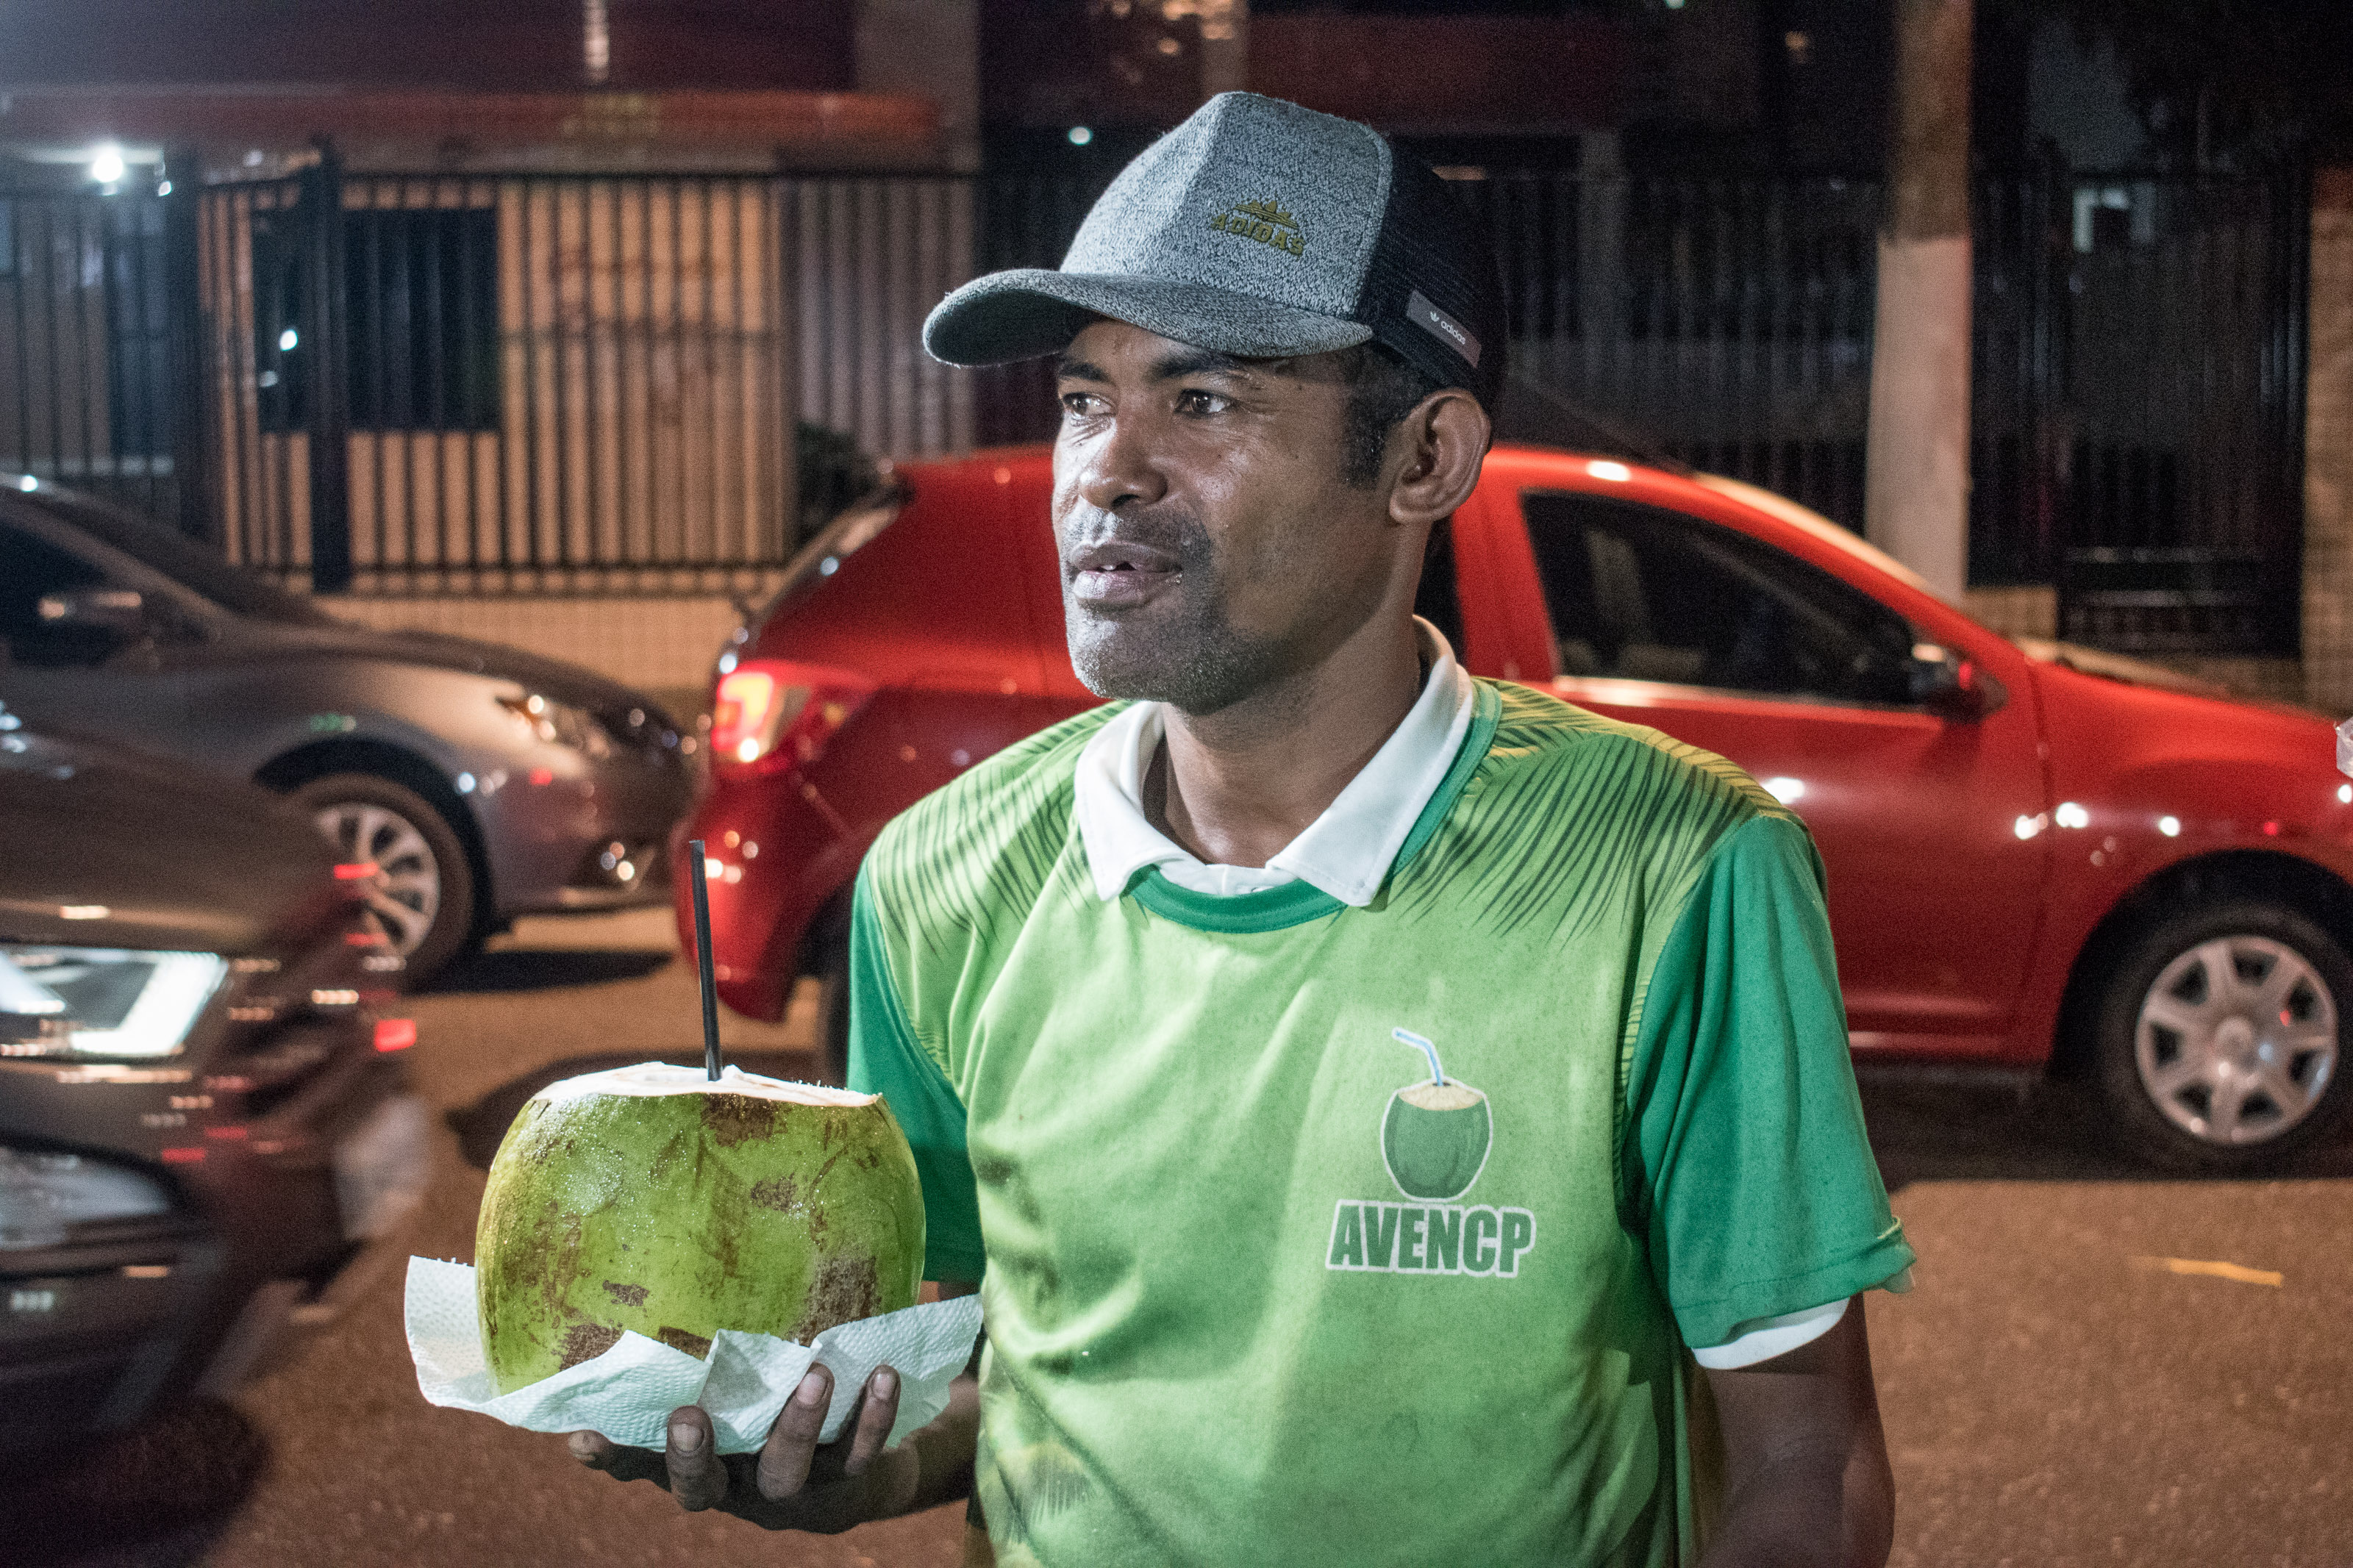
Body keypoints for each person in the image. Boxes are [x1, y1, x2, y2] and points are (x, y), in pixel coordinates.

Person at [573, 91, 1915, 1567]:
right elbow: (970, 1382)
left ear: (1423, 460)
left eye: (1202, 402)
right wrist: (817, 1463)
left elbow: (1806, 1452)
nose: (1108, 468)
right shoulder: (939, 884)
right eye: (1087, 397)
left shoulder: (1673, 875)